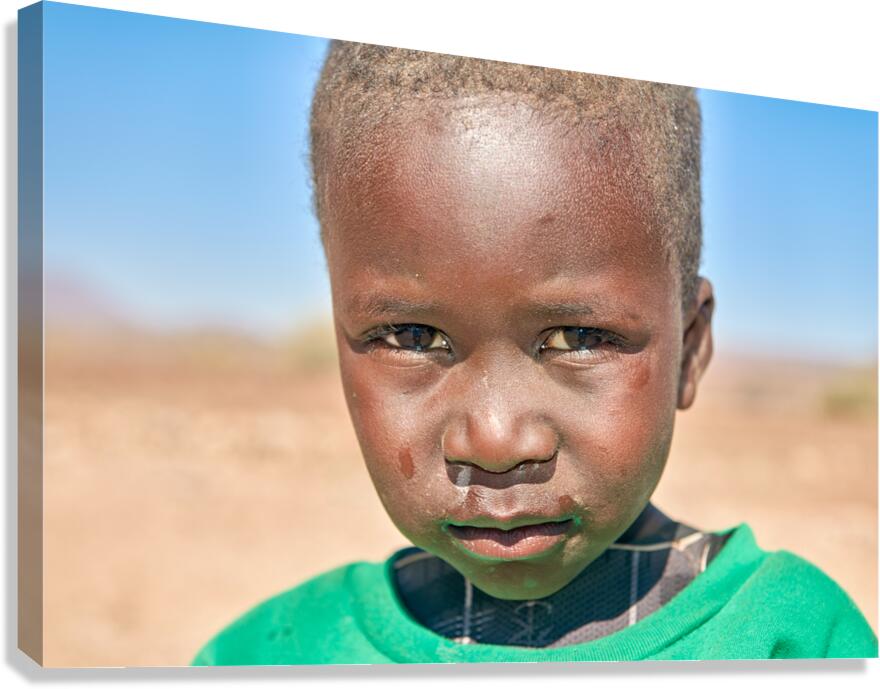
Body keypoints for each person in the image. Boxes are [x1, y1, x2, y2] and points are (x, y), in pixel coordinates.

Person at [191, 42, 877, 665]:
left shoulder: (789, 643)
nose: (494, 440)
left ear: (691, 349)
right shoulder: (268, 654)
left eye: (579, 338)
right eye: (411, 336)